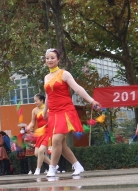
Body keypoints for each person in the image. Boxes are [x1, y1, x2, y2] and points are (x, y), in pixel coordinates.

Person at [42, 48, 101, 177]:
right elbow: (48, 95)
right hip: (53, 112)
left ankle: (52, 168)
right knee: (61, 144)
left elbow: (78, 89)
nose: (50, 60)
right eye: (47, 58)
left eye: (52, 58)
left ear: (58, 59)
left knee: (56, 140)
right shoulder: (46, 77)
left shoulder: (64, 73)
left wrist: (91, 101)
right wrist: (45, 110)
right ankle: (77, 166)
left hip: (65, 110)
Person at [26, 93, 52, 175]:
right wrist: (28, 127)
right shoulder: (34, 110)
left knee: (41, 151)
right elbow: (33, 122)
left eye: (36, 101)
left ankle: (38, 169)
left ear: (42, 100)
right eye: (34, 101)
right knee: (36, 153)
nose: (35, 102)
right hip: (40, 133)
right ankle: (53, 165)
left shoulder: (48, 107)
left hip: (48, 131)